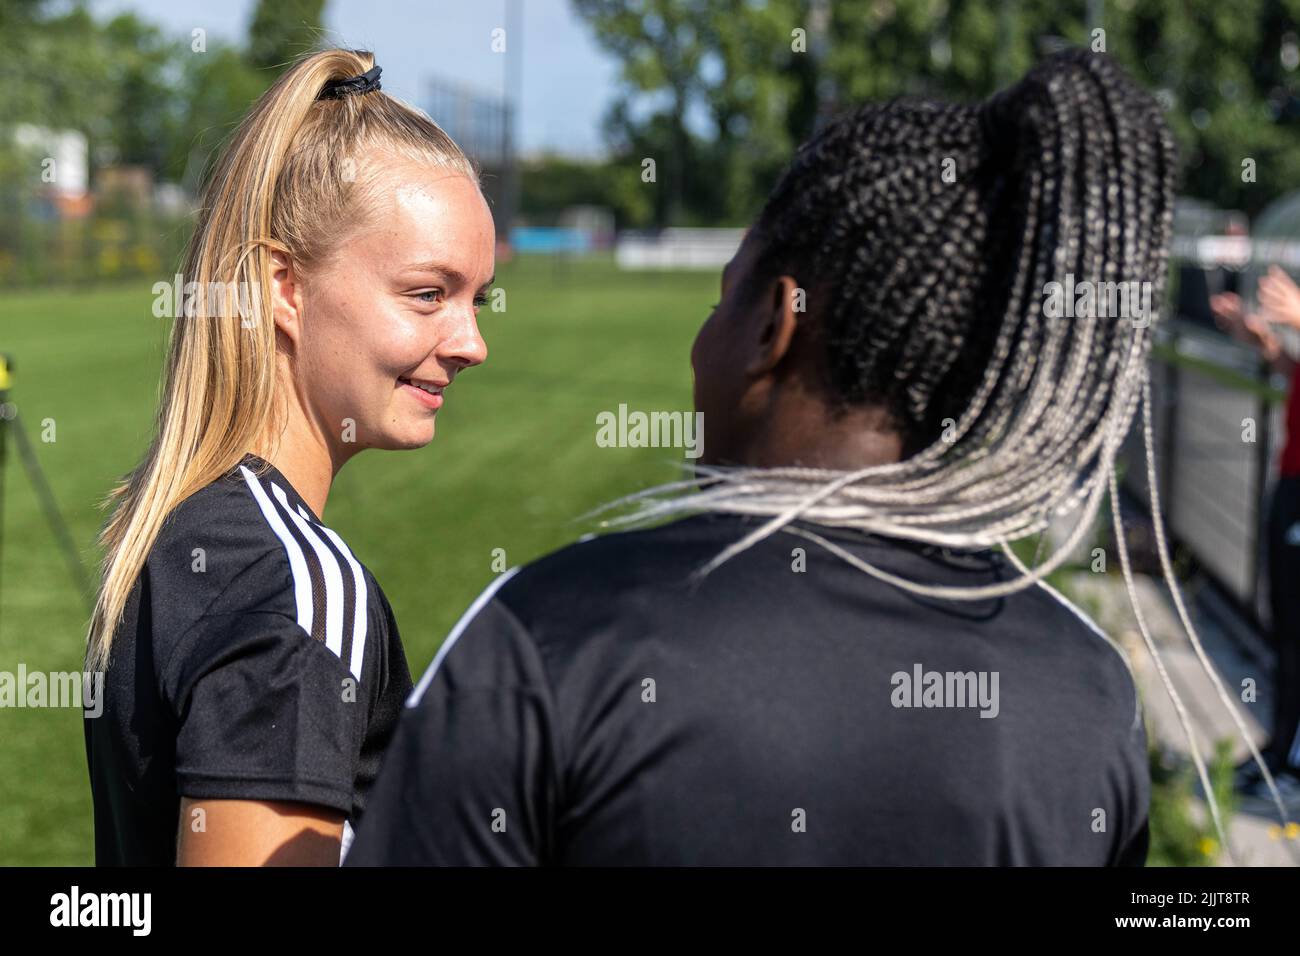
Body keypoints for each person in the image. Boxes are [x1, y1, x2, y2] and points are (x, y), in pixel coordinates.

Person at [347, 49, 1171, 866]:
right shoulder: (1090, 694)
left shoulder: (550, 637)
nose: (702, 341)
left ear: (776, 326)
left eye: (720, 301)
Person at [84, 49, 496, 866]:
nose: (473, 343)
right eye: (428, 293)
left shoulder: (178, 531)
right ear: (283, 286)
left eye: (476, 299)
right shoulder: (296, 588)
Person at [1212, 266, 1300, 799]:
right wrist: (1265, 339)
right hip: (1291, 481)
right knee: (1286, 627)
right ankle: (1283, 751)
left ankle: (1288, 763)